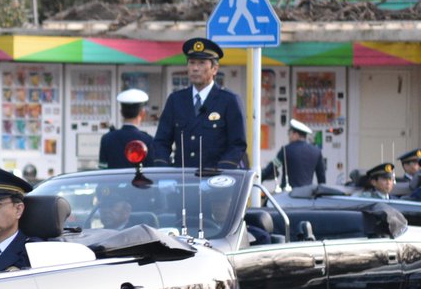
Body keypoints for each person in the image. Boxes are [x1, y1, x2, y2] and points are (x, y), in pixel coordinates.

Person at [150, 37, 247, 170]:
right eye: (192, 63)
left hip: (214, 178)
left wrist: (220, 172)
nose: (195, 68)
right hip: (182, 177)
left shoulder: (229, 101)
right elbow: (161, 142)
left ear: (214, 69)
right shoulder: (176, 100)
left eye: (201, 63)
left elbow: (237, 145)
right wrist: (164, 171)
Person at [261, 119, 326, 190]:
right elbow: (321, 178)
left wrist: (260, 177)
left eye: (290, 134)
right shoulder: (316, 151)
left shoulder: (285, 150)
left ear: (296, 135)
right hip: (307, 193)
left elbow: (272, 167)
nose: (289, 137)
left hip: (288, 194)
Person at [99, 89, 154, 168]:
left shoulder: (106, 138)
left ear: (121, 112)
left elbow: (102, 168)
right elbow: (151, 169)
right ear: (142, 113)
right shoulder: (148, 140)